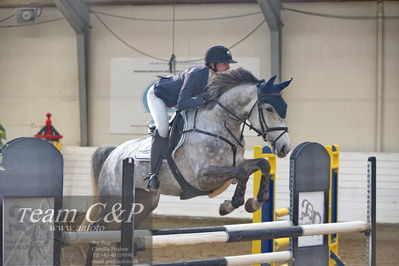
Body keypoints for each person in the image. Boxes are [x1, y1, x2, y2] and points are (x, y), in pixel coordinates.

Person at [145, 45, 237, 191]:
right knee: (163, 129)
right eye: (224, 63)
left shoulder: (217, 79)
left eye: (228, 64)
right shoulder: (196, 74)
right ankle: (152, 175)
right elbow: (182, 104)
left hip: (179, 99)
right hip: (160, 96)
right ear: (213, 64)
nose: (228, 67)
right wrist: (204, 101)